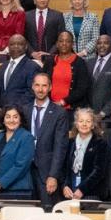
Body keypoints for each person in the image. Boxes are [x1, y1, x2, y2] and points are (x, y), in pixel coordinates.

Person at [27, 74, 70, 207]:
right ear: (32, 87)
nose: (40, 89)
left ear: (50, 87)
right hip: (25, 171)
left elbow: (60, 147)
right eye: (37, 85)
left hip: (46, 173)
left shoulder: (59, 113)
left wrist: (53, 175)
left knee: (47, 212)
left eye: (44, 85)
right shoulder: (24, 109)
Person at [0, 106, 36, 201]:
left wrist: (0, 183)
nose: (11, 120)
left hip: (17, 191)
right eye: (8, 117)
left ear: (20, 120)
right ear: (3, 120)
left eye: (15, 117)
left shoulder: (26, 137)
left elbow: (21, 166)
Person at [60, 109, 108, 200]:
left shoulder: (100, 143)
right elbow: (64, 169)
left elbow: (99, 171)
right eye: (81, 121)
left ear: (93, 125)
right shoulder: (70, 143)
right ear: (76, 124)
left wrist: (82, 189)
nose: (84, 124)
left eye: (88, 121)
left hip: (91, 193)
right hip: (70, 192)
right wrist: (65, 186)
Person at [42, 31, 90, 111]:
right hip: (49, 108)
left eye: (67, 41)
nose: (64, 43)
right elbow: (42, 82)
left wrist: (63, 102)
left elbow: (82, 89)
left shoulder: (80, 63)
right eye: (61, 41)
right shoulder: (49, 61)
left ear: (72, 44)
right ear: (57, 44)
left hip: (71, 110)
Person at [84, 34, 111, 115]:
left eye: (106, 43)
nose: (102, 46)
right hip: (89, 115)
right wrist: (88, 111)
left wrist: (103, 113)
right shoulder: (89, 63)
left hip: (108, 116)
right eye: (99, 43)